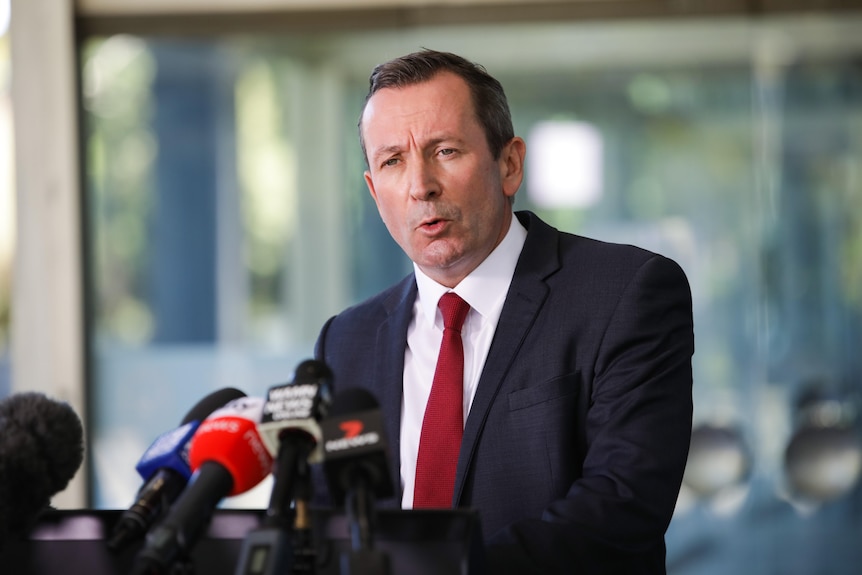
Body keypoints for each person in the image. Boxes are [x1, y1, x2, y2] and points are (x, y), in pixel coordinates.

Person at [314, 48, 694, 574]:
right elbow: (325, 520)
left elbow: (622, 506)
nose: (420, 185)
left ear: (509, 163)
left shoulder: (626, 293)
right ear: (375, 190)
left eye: (444, 151)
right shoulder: (345, 342)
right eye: (393, 161)